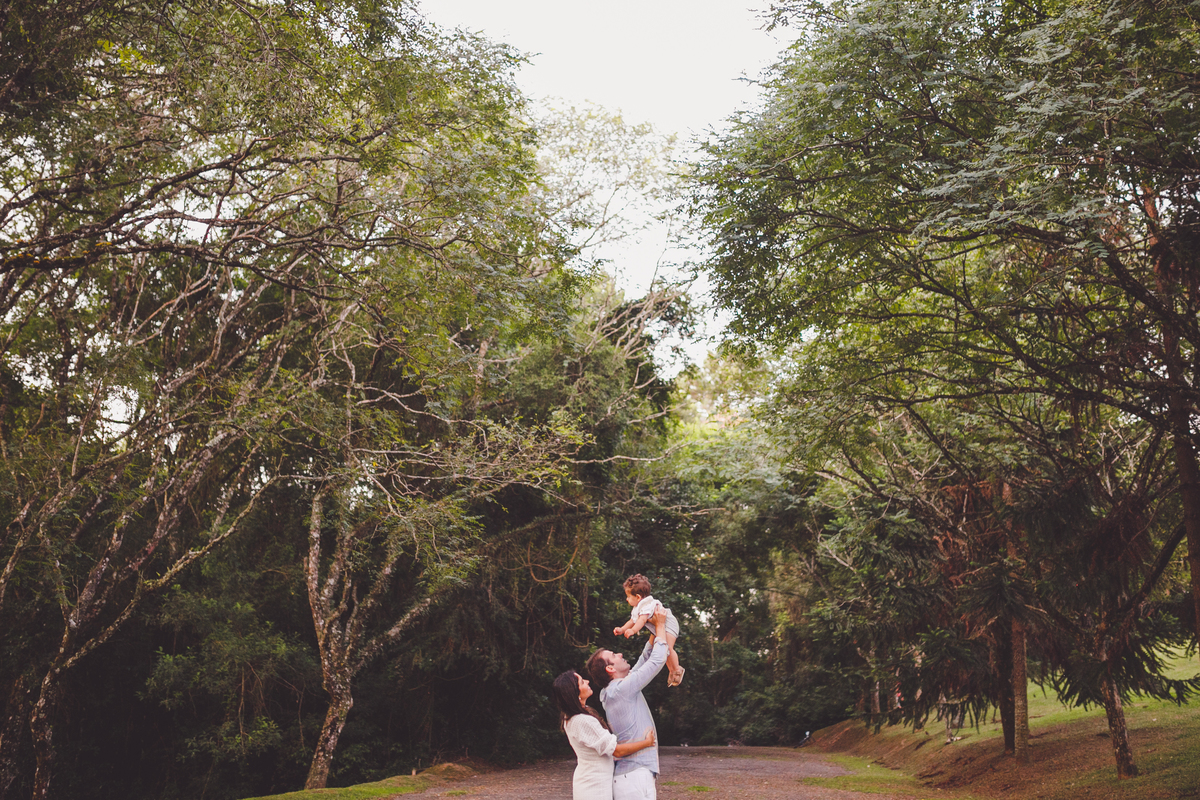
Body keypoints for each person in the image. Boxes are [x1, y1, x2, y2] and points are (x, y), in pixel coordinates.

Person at [588, 605, 670, 800]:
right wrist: (660, 626)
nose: (620, 655)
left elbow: (645, 660)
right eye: (614, 656)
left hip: (633, 776)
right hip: (633, 777)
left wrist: (653, 630)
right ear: (610, 669)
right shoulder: (621, 690)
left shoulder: (616, 689)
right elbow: (657, 661)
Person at [552, 670, 656, 800]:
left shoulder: (573, 717)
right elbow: (617, 751)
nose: (587, 681)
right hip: (594, 788)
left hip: (592, 783)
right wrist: (646, 742)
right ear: (574, 693)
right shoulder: (583, 721)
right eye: (582, 682)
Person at [612, 573, 684, 686]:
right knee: (664, 651)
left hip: (669, 624)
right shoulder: (637, 607)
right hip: (659, 626)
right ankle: (672, 670)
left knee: (668, 648)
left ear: (638, 597)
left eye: (628, 597)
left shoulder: (647, 605)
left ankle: (677, 670)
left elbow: (641, 621)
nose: (626, 599)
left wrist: (633, 631)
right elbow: (632, 621)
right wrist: (622, 629)